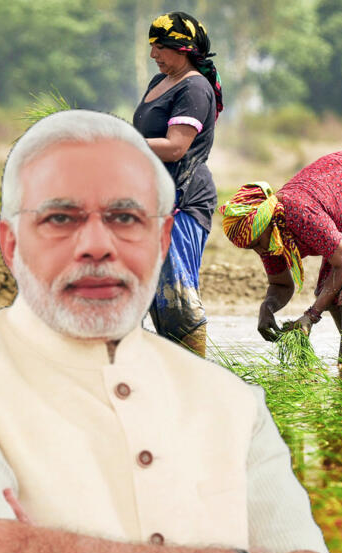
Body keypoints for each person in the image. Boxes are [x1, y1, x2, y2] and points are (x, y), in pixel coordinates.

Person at [0, 111, 332, 553]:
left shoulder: (236, 404)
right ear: (11, 243)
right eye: (61, 217)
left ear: (161, 241)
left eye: (124, 217)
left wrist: (51, 549)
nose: (97, 245)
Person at [219, 150, 342, 368]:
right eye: (251, 248)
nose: (260, 252)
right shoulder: (270, 238)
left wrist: (310, 316)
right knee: (331, 291)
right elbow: (280, 284)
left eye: (257, 243)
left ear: (267, 223)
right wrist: (266, 309)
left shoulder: (297, 213)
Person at [133, 11, 224, 356]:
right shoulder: (158, 84)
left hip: (183, 201)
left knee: (178, 299)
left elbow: (175, 147)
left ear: (182, 48)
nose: (153, 54)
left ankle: (197, 378)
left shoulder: (195, 88)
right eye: (152, 47)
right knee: (157, 299)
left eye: (159, 47)